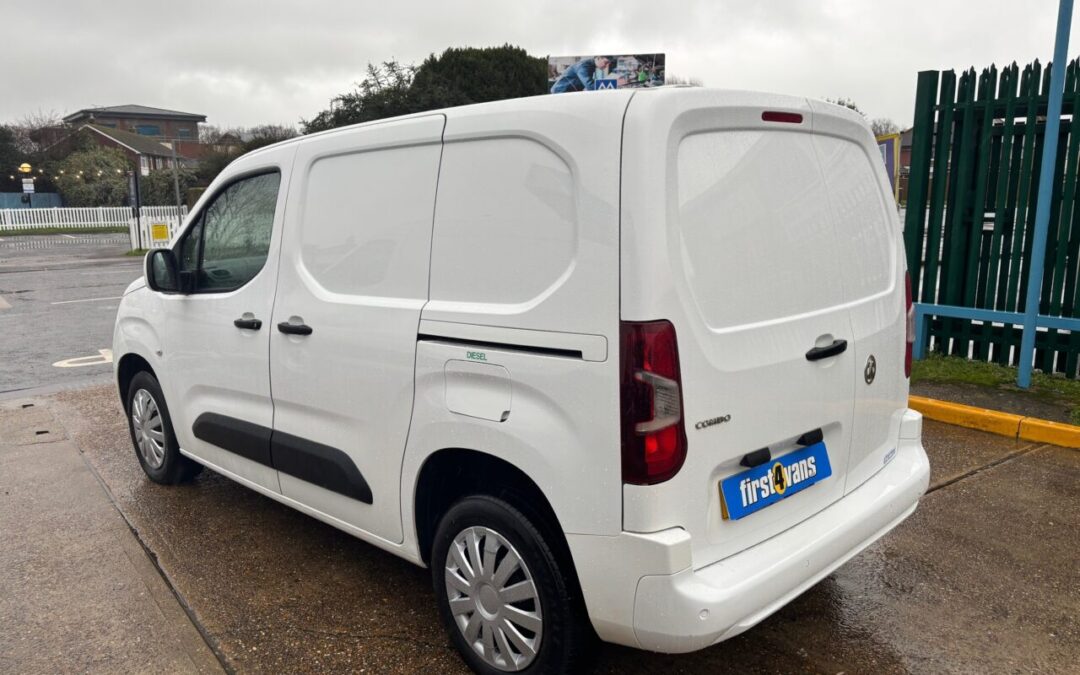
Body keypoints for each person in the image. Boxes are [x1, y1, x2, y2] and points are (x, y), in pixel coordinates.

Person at [550, 55, 618, 93]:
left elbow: (590, 83)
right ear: (598, 58)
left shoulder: (591, 65)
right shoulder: (584, 66)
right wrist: (614, 83)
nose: (606, 66)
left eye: (609, 64)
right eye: (605, 62)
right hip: (560, 91)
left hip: (568, 91)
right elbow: (590, 86)